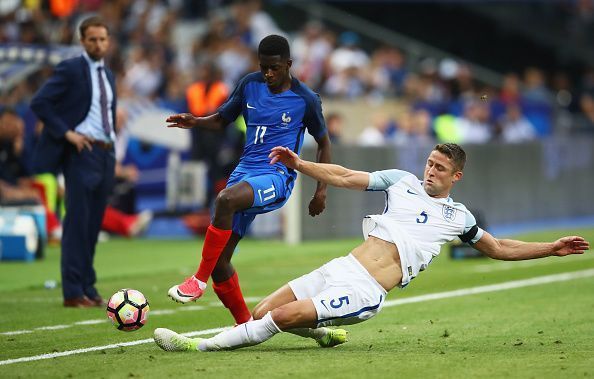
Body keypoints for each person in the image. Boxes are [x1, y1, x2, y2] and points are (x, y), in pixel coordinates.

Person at [154, 143, 589, 352]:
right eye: (430, 163)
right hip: (339, 267)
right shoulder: (401, 182)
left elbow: (498, 248)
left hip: (365, 291)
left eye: (440, 168)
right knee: (263, 310)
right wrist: (300, 164)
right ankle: (323, 331)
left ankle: (200, 345)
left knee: (281, 318)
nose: (430, 171)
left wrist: (550, 248)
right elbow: (344, 176)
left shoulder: (459, 217)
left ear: (456, 177)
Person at [165, 35, 331, 326]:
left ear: (289, 64)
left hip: (276, 176)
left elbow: (324, 143)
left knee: (225, 199)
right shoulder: (249, 84)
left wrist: (321, 190)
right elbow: (222, 119)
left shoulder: (305, 98)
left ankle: (197, 280)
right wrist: (196, 121)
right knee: (220, 262)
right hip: (244, 171)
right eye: (264, 67)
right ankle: (245, 325)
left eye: (274, 68)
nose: (268, 74)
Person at [30, 16, 116, 308]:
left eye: (102, 39)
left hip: (106, 152)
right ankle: (72, 291)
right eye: (92, 39)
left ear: (108, 41)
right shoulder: (70, 68)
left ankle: (88, 287)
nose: (98, 44)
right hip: (82, 152)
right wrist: (68, 134)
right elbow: (39, 102)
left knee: (92, 224)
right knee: (77, 223)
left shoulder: (108, 74)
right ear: (82, 41)